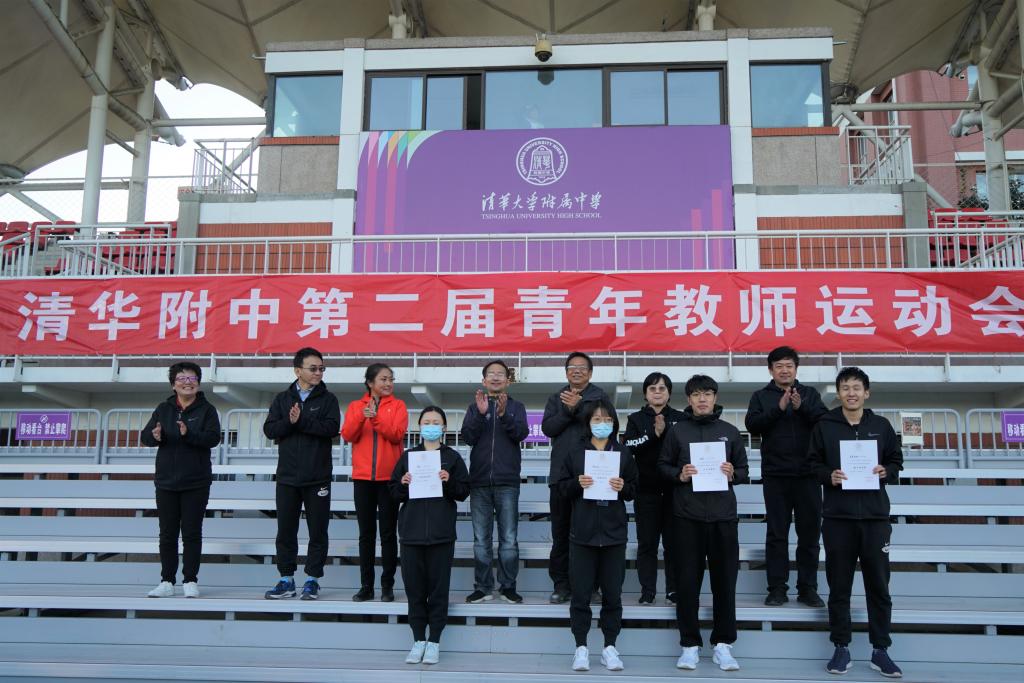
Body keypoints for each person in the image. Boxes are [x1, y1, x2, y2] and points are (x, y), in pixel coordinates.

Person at [808, 367, 904, 678]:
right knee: (839, 586)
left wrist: (887, 471)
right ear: (838, 393)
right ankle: (841, 647)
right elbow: (812, 464)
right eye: (846, 388)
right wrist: (829, 475)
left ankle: (881, 650)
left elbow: (896, 460)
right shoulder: (824, 425)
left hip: (875, 518)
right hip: (838, 518)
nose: (851, 393)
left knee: (879, 587)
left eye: (857, 387)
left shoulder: (881, 426)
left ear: (867, 393)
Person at [658, 374, 748, 672]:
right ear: (689, 399)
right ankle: (689, 645)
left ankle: (723, 644)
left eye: (707, 393)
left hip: (723, 517)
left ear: (715, 397)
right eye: (696, 394)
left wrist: (733, 472)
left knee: (725, 583)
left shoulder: (730, 432)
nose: (702, 399)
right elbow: (662, 466)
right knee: (687, 584)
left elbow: (744, 471)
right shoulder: (677, 432)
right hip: (687, 517)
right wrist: (679, 474)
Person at [555, 399, 638, 672]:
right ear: (588, 423)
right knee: (580, 595)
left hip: (614, 535)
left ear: (614, 423)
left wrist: (623, 486)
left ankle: (609, 647)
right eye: (597, 419)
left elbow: (633, 489)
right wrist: (576, 484)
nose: (602, 424)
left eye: (607, 419)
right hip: (583, 534)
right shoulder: (576, 452)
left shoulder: (623, 453)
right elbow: (562, 488)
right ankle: (581, 647)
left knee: (613, 595)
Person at [745, 346, 827, 608]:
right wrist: (778, 409)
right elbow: (752, 425)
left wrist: (802, 407)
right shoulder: (760, 396)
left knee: (809, 535)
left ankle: (808, 588)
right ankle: (777, 589)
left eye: (789, 365)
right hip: (776, 475)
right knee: (777, 534)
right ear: (770, 370)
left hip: (808, 475)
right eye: (779, 366)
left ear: (796, 368)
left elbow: (824, 423)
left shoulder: (810, 394)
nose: (784, 370)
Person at [390, 406, 470, 666]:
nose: (431, 426)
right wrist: (403, 484)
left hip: (441, 534)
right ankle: (418, 640)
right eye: (427, 422)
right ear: (420, 426)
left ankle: (434, 640)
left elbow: (463, 492)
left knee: (438, 591)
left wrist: (448, 481)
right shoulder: (408, 457)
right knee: (414, 591)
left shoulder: (452, 457)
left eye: (436, 422)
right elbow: (393, 492)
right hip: (411, 534)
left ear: (444, 428)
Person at [262, 348, 341, 600]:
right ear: (298, 370)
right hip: (287, 477)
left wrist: (302, 421)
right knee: (286, 530)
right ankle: (286, 579)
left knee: (318, 531)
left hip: (318, 477)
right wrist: (290, 422)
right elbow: (270, 430)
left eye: (321, 368)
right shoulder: (282, 399)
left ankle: (312, 579)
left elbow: (331, 428)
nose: (318, 372)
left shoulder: (328, 399)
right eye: (313, 368)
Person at [141, 361, 221, 598]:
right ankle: (167, 581)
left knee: (192, 532)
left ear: (198, 383)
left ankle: (190, 580)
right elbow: (146, 437)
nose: (188, 382)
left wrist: (189, 434)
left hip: (196, 481)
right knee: (167, 533)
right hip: (166, 481)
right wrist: (155, 436)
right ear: (173, 385)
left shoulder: (207, 410)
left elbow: (213, 439)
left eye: (192, 378)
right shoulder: (163, 409)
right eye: (182, 379)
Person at [541, 351, 609, 604]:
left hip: (593, 476)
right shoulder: (556, 397)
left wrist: (578, 407)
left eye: (582, 367)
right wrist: (567, 411)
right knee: (561, 534)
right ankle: (561, 585)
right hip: (561, 476)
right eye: (572, 367)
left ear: (590, 373)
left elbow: (605, 427)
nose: (577, 371)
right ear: (566, 372)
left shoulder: (600, 397)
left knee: (590, 533)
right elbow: (549, 428)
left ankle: (590, 586)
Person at [461, 360, 529, 604]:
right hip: (479, 481)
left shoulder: (517, 407)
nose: (496, 377)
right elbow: (468, 437)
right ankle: (483, 587)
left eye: (501, 374)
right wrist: (481, 416)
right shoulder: (474, 407)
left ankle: (508, 586)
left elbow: (521, 434)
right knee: (481, 539)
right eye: (491, 374)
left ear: (508, 381)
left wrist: (503, 415)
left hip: (507, 482)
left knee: (508, 539)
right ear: (484, 380)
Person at [341, 362, 409, 602]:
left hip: (389, 480)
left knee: (388, 534)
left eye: (391, 379)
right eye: (383, 379)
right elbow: (348, 434)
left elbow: (397, 435)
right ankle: (366, 586)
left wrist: (376, 418)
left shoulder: (398, 406)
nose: (389, 383)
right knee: (366, 534)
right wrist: (363, 416)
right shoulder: (355, 406)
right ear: (370, 382)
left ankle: (387, 585)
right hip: (362, 479)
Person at [624, 372, 685, 605]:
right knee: (647, 544)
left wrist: (666, 432)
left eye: (662, 388)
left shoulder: (681, 418)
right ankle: (647, 591)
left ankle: (673, 591)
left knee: (674, 545)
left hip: (675, 492)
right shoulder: (635, 419)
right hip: (645, 491)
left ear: (669, 393)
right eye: (652, 388)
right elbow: (629, 445)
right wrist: (653, 434)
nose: (657, 392)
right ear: (645, 394)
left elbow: (684, 447)